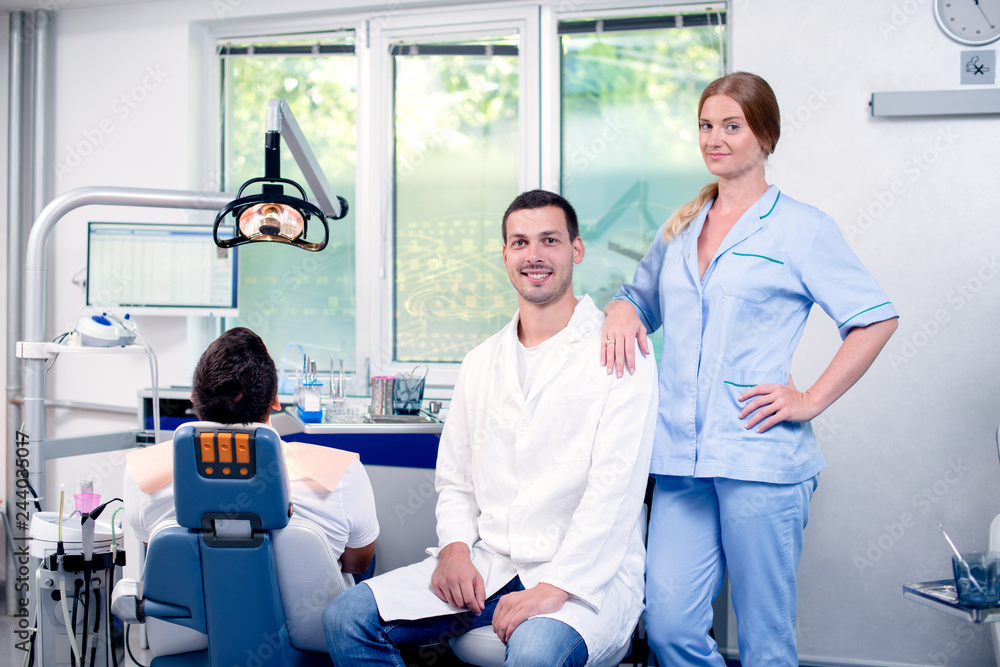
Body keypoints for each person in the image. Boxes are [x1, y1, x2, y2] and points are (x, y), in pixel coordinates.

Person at [601, 72, 899, 666]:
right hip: (682, 464)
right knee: (668, 627)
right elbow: (639, 299)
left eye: (731, 126)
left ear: (764, 135)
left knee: (765, 641)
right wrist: (617, 308)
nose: (715, 138)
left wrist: (809, 399)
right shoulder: (680, 227)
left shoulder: (803, 228)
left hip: (759, 458)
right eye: (706, 126)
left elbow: (875, 319)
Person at [323, 190, 658, 667]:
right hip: (490, 566)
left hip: (583, 577)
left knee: (535, 652)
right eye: (520, 242)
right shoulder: (480, 363)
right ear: (505, 255)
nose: (534, 255)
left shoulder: (620, 352)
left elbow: (615, 492)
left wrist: (555, 587)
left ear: (576, 250)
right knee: (346, 617)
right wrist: (455, 549)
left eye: (550, 240)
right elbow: (456, 480)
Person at [123, 327, 379, 576]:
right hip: (306, 619)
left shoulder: (140, 478)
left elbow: (162, 555)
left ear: (193, 397)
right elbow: (357, 564)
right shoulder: (343, 477)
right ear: (276, 400)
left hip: (192, 619)